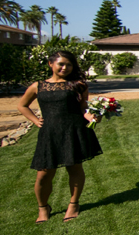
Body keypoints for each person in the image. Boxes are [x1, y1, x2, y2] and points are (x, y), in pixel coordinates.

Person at [18, 50, 103, 223]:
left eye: (69, 64)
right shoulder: (38, 86)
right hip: (49, 133)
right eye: (61, 64)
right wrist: (35, 120)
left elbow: (82, 109)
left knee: (74, 168)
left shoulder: (78, 85)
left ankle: (73, 204)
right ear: (51, 64)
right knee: (43, 174)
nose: (65, 68)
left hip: (73, 130)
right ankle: (43, 208)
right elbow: (22, 105)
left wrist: (93, 117)